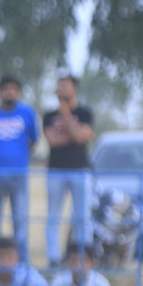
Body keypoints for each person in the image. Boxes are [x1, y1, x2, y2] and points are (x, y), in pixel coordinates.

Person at [0, 75, 38, 261]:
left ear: (18, 92)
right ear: (0, 92)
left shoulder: (27, 113)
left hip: (19, 175)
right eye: (6, 89)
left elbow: (33, 140)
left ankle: (22, 262)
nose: (10, 92)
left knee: (20, 222)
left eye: (13, 89)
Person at [42, 75, 95, 268]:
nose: (60, 89)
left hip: (80, 171)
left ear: (75, 89)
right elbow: (53, 141)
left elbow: (80, 138)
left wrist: (66, 115)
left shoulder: (85, 113)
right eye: (59, 86)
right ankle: (54, 259)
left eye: (65, 86)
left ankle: (83, 257)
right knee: (53, 217)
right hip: (56, 171)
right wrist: (75, 135)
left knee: (82, 218)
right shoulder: (48, 116)